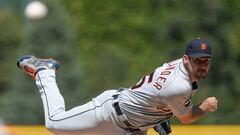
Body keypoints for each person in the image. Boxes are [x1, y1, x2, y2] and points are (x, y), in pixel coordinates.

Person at [16, 37, 218, 135]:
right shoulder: (178, 85)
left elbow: (153, 94)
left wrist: (157, 118)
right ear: (185, 59)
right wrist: (206, 106)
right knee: (53, 123)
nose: (202, 65)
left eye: (206, 61)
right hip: (109, 115)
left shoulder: (180, 69)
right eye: (197, 61)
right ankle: (45, 72)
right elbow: (187, 118)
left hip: (132, 126)